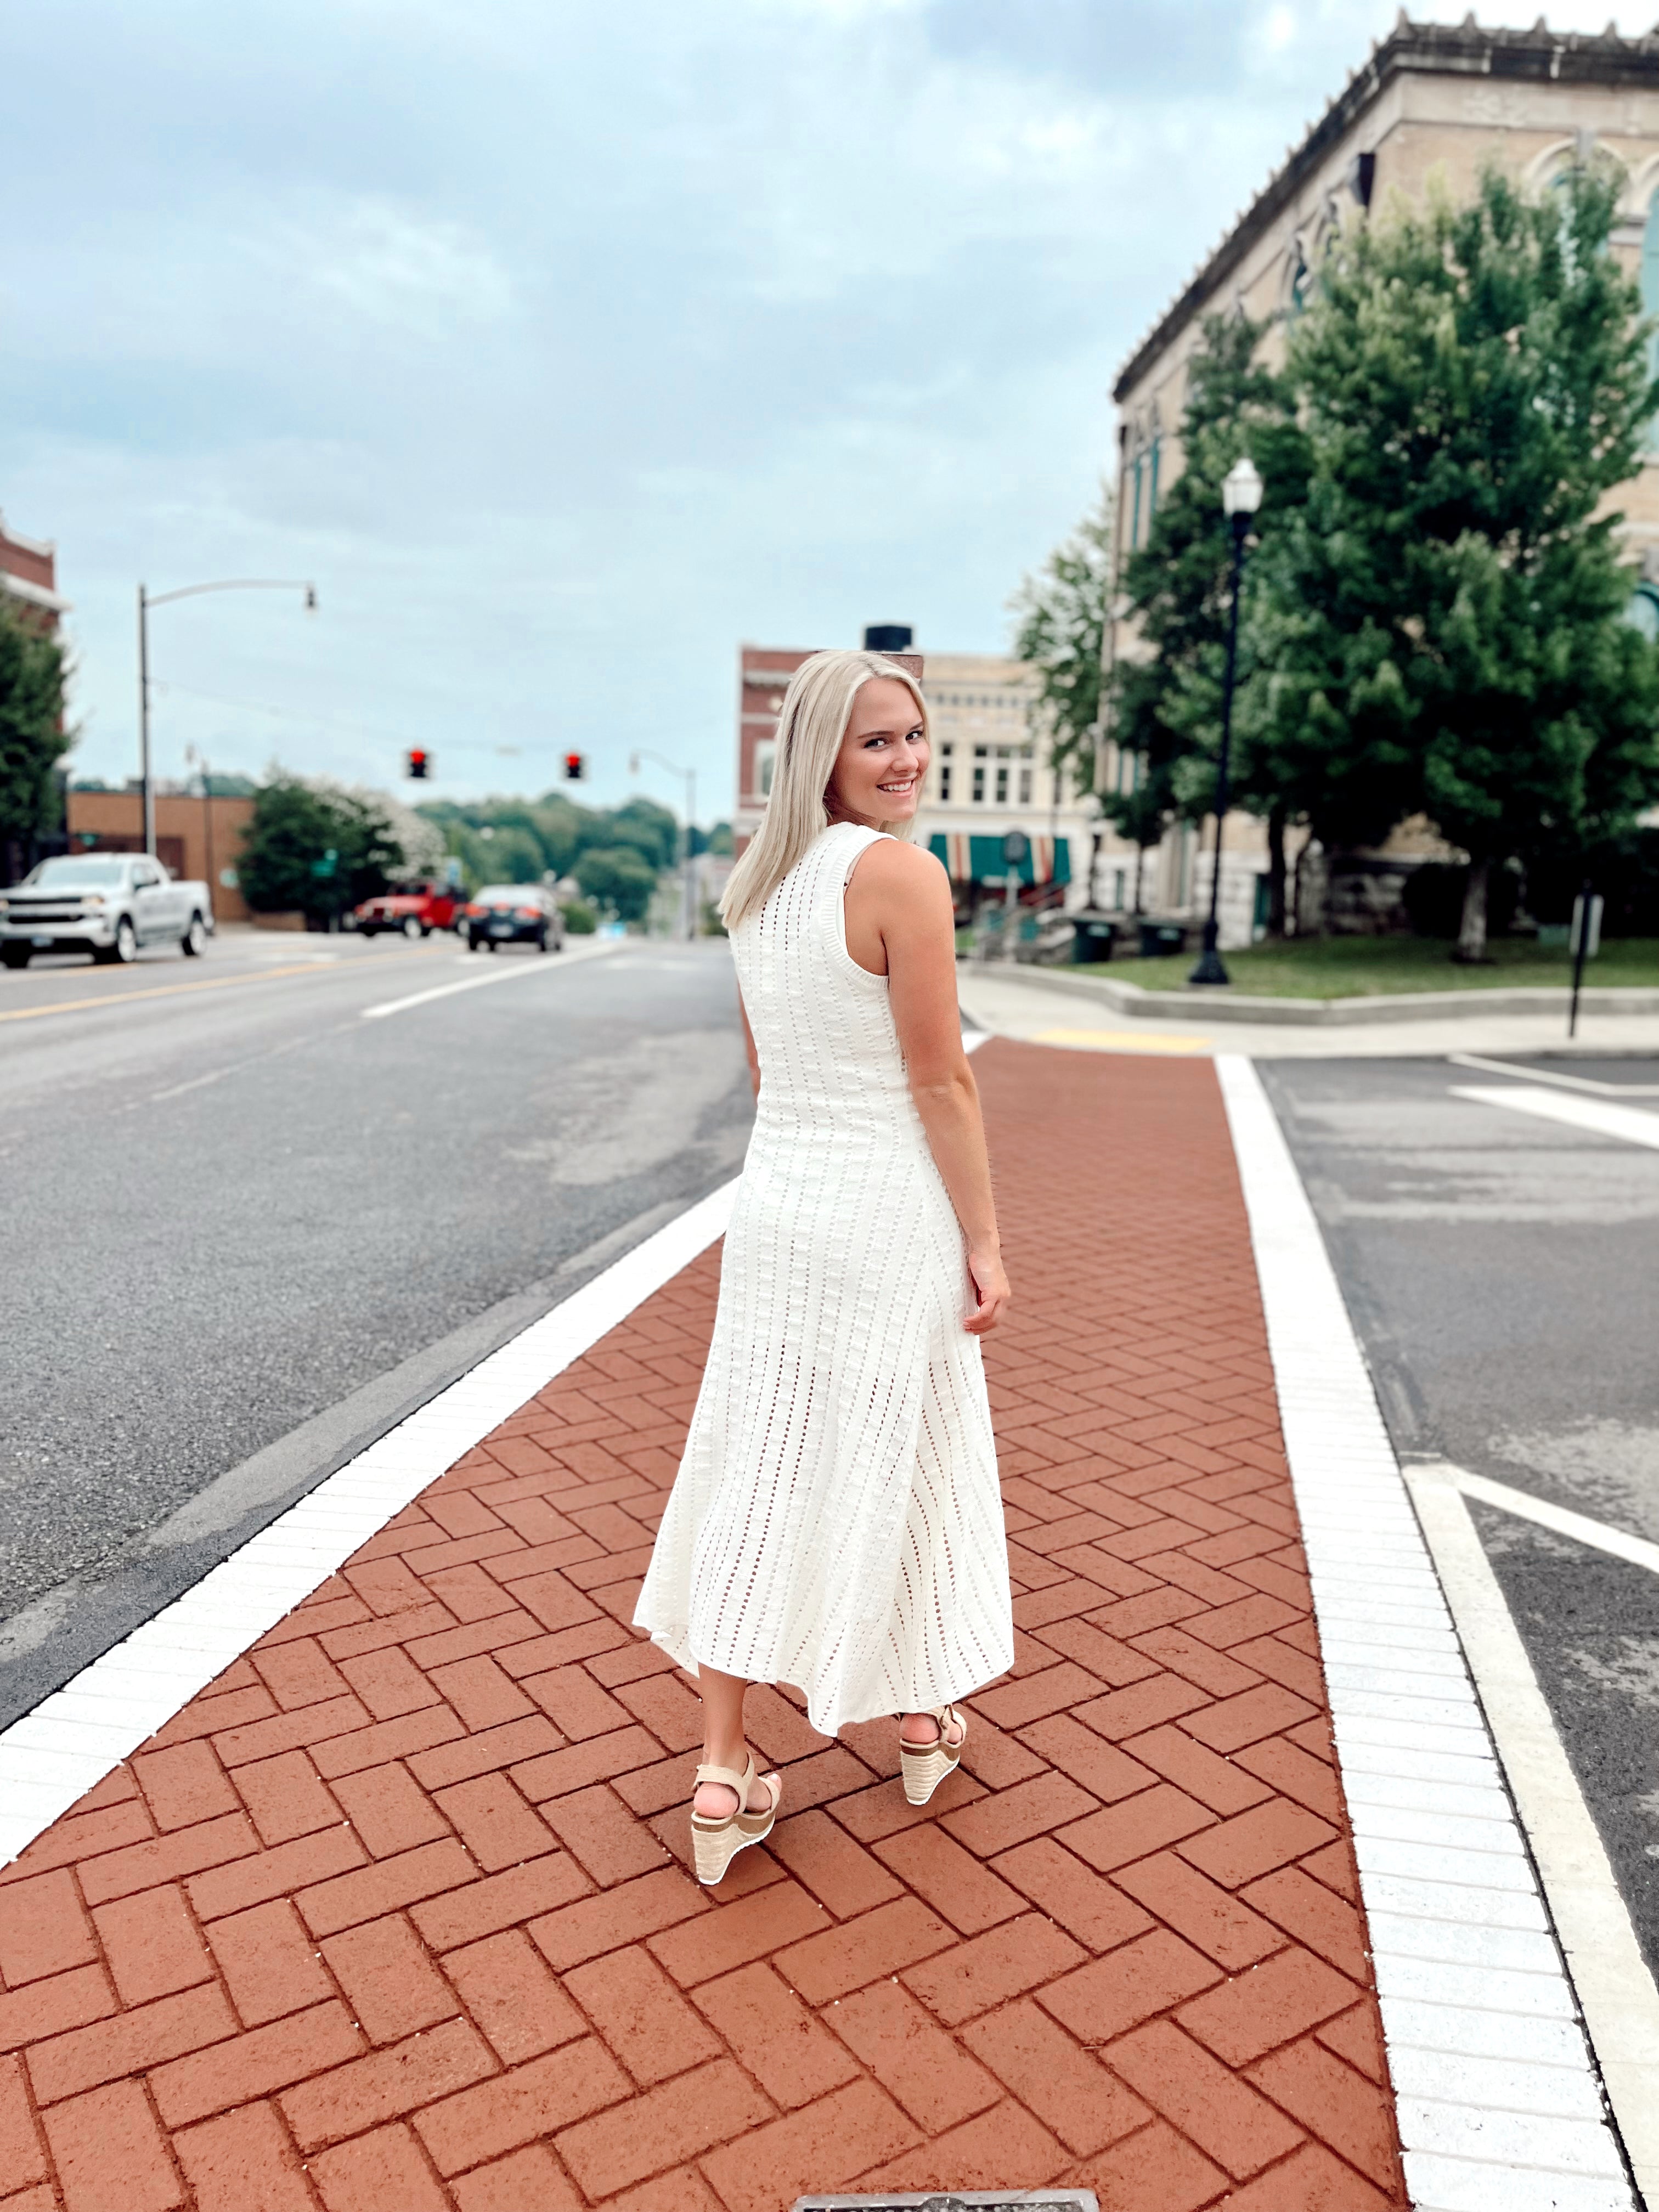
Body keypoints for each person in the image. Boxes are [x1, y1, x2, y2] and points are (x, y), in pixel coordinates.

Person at [634, 648, 1013, 1885]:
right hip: (886, 1211)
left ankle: (722, 1763)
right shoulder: (901, 875)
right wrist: (985, 1239)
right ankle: (918, 1719)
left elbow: (766, 1073)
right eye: (878, 742)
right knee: (902, 1453)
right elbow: (940, 1077)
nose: (908, 760)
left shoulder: (756, 885)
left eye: (914, 735)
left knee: (762, 1459)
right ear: (825, 757)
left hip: (781, 1210)